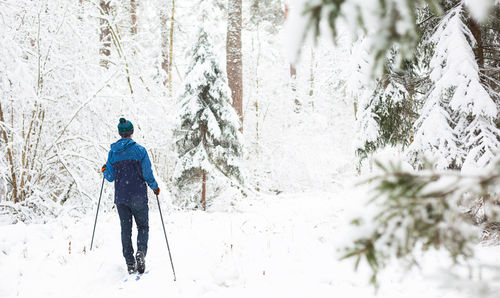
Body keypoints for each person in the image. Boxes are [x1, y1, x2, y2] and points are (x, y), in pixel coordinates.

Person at [101, 118, 160, 274]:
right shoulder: (140, 151)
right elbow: (147, 173)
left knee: (125, 229)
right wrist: (155, 187)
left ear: (120, 133)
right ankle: (141, 252)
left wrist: (104, 170)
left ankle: (130, 262)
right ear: (132, 132)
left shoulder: (113, 153)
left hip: (121, 198)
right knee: (143, 226)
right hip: (139, 196)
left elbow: (110, 176)